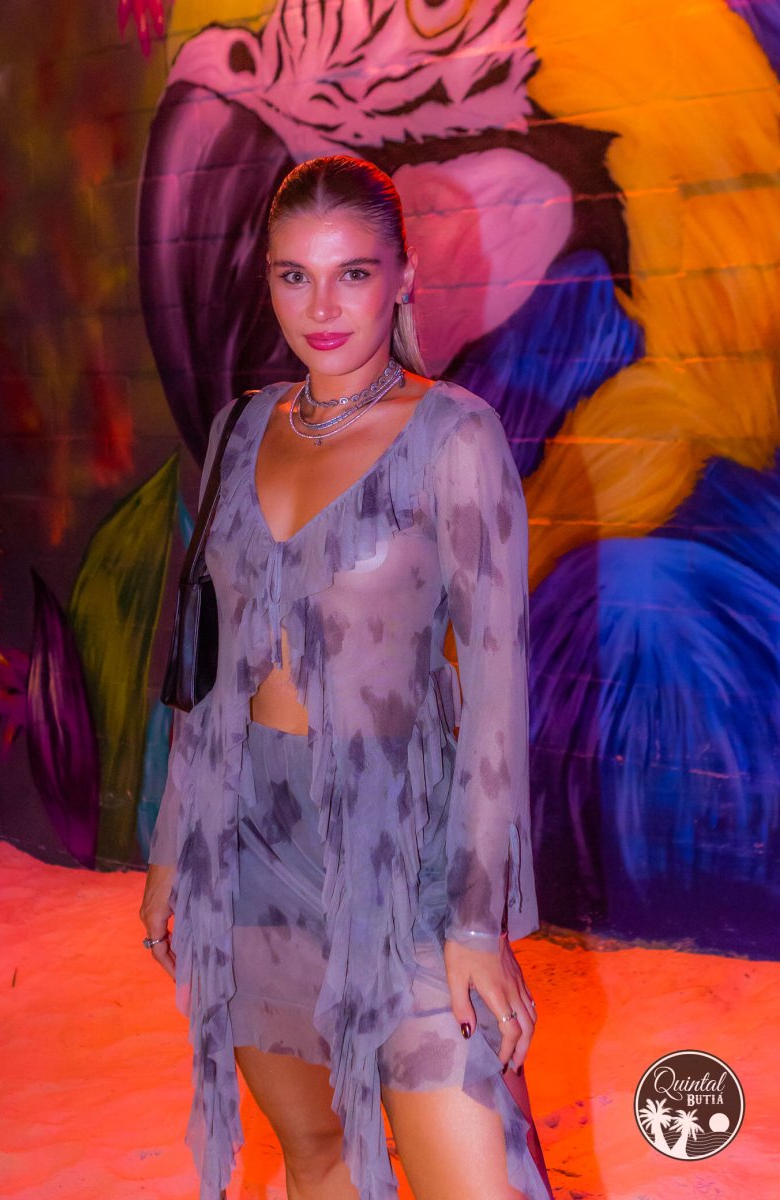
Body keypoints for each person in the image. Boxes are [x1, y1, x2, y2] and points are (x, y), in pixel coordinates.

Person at [139, 155, 553, 1200]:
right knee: (317, 1155)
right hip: (247, 844)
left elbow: (496, 699)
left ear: (403, 276)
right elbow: (209, 664)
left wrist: (476, 923)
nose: (320, 308)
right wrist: (173, 845)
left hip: (399, 848)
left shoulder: (454, 436)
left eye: (352, 274)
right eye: (294, 276)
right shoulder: (240, 429)